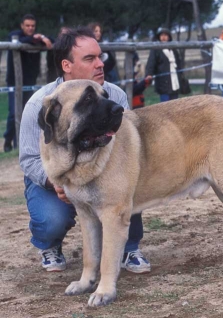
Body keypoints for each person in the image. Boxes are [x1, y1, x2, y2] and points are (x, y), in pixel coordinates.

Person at [19, 27, 151, 273]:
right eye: (90, 59)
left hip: (103, 176)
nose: (100, 64)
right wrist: (56, 183)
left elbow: (124, 151)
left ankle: (129, 247)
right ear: (67, 65)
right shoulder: (42, 102)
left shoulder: (115, 95)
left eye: (100, 56)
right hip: (57, 181)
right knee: (51, 220)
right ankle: (49, 245)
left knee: (124, 187)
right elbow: (28, 159)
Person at [4, 14, 52, 153]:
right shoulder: (16, 36)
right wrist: (38, 38)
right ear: (22, 26)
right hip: (14, 81)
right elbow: (16, 39)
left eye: (33, 26)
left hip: (30, 81)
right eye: (27, 25)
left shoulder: (37, 39)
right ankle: (8, 140)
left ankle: (23, 142)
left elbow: (52, 40)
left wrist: (42, 37)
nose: (30, 28)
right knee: (14, 113)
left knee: (27, 112)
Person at [144, 27, 183, 102]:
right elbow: (151, 62)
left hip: (174, 80)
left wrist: (180, 73)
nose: (163, 37)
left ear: (169, 37)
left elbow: (178, 62)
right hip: (163, 81)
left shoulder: (173, 49)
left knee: (176, 103)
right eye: (161, 35)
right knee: (165, 105)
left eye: (165, 35)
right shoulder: (156, 49)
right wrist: (149, 73)